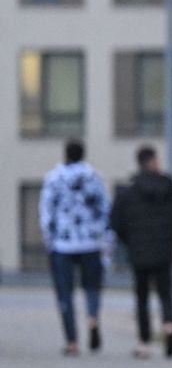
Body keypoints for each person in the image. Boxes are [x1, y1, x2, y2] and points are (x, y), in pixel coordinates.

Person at [110, 145, 172, 359]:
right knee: (165, 293)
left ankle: (144, 342)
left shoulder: (129, 191)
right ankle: (169, 327)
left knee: (142, 297)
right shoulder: (170, 187)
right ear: (153, 161)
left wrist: (130, 241)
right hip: (164, 250)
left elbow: (116, 221)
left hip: (139, 252)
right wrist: (171, 237)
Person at [39, 139, 111, 355]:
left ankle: (72, 341)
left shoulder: (53, 178)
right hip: (90, 242)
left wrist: (48, 240)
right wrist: (105, 239)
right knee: (91, 288)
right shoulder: (94, 177)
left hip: (63, 244)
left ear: (66, 154)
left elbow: (45, 213)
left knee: (65, 294)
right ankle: (92, 318)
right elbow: (105, 210)